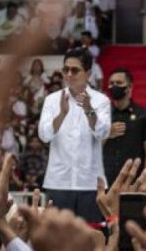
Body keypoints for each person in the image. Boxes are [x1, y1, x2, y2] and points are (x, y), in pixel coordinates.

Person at [38, 48, 111, 222]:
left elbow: (103, 132)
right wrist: (62, 115)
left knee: (91, 241)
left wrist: (88, 110)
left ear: (88, 74)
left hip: (90, 184)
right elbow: (44, 135)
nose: (69, 74)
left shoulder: (101, 100)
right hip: (58, 183)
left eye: (75, 70)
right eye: (65, 70)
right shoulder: (52, 100)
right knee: (58, 243)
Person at [102, 68, 146, 187]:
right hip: (105, 179)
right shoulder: (103, 115)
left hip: (133, 180)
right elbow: (93, 146)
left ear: (129, 87)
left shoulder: (144, 115)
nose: (114, 86)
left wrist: (145, 178)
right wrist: (106, 132)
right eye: (111, 83)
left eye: (119, 83)